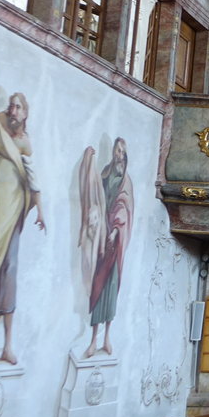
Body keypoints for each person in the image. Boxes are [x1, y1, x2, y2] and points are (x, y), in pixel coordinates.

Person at [0, 93, 45, 369]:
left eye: (18, 106)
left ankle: (7, 345)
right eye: (11, 105)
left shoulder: (24, 143)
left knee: (7, 277)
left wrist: (40, 210)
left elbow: (33, 179)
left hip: (12, 217)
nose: (13, 110)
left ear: (26, 113)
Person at [84, 138, 133, 358]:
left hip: (115, 237)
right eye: (117, 149)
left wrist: (115, 231)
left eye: (122, 151)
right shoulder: (105, 173)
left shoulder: (125, 180)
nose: (118, 154)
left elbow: (124, 207)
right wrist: (89, 160)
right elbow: (95, 192)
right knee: (98, 285)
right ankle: (94, 338)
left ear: (125, 155)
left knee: (111, 287)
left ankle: (107, 337)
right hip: (103, 235)